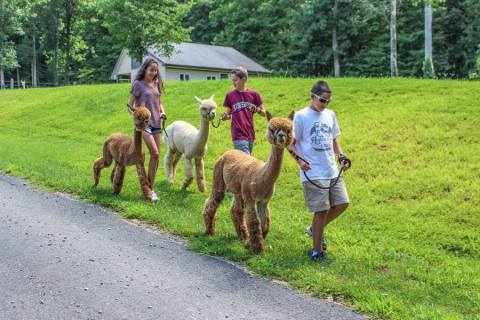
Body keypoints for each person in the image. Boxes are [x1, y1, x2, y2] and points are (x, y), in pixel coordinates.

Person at [288, 80, 351, 261]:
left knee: (342, 203)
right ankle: (317, 252)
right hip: (313, 172)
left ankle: (314, 229)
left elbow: (334, 140)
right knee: (321, 211)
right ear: (312, 97)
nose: (325, 104)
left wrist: (341, 156)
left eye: (328, 101)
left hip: (331, 169)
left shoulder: (330, 115)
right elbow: (290, 144)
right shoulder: (301, 116)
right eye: (322, 100)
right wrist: (300, 161)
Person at [127, 58, 167, 202]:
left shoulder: (156, 83)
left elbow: (159, 102)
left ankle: (150, 189)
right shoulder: (138, 84)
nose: (154, 72)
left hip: (157, 122)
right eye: (151, 70)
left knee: (156, 157)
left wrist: (162, 112)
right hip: (144, 124)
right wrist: (136, 117)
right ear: (144, 69)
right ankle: (149, 190)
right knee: (154, 152)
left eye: (156, 70)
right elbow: (130, 105)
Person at [221, 67, 266, 155]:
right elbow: (229, 114)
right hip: (238, 134)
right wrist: (225, 117)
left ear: (244, 79)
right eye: (232, 80)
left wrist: (257, 110)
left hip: (250, 134)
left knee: (244, 164)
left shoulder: (254, 94)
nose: (233, 82)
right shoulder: (230, 95)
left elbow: (264, 113)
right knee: (247, 161)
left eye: (235, 80)